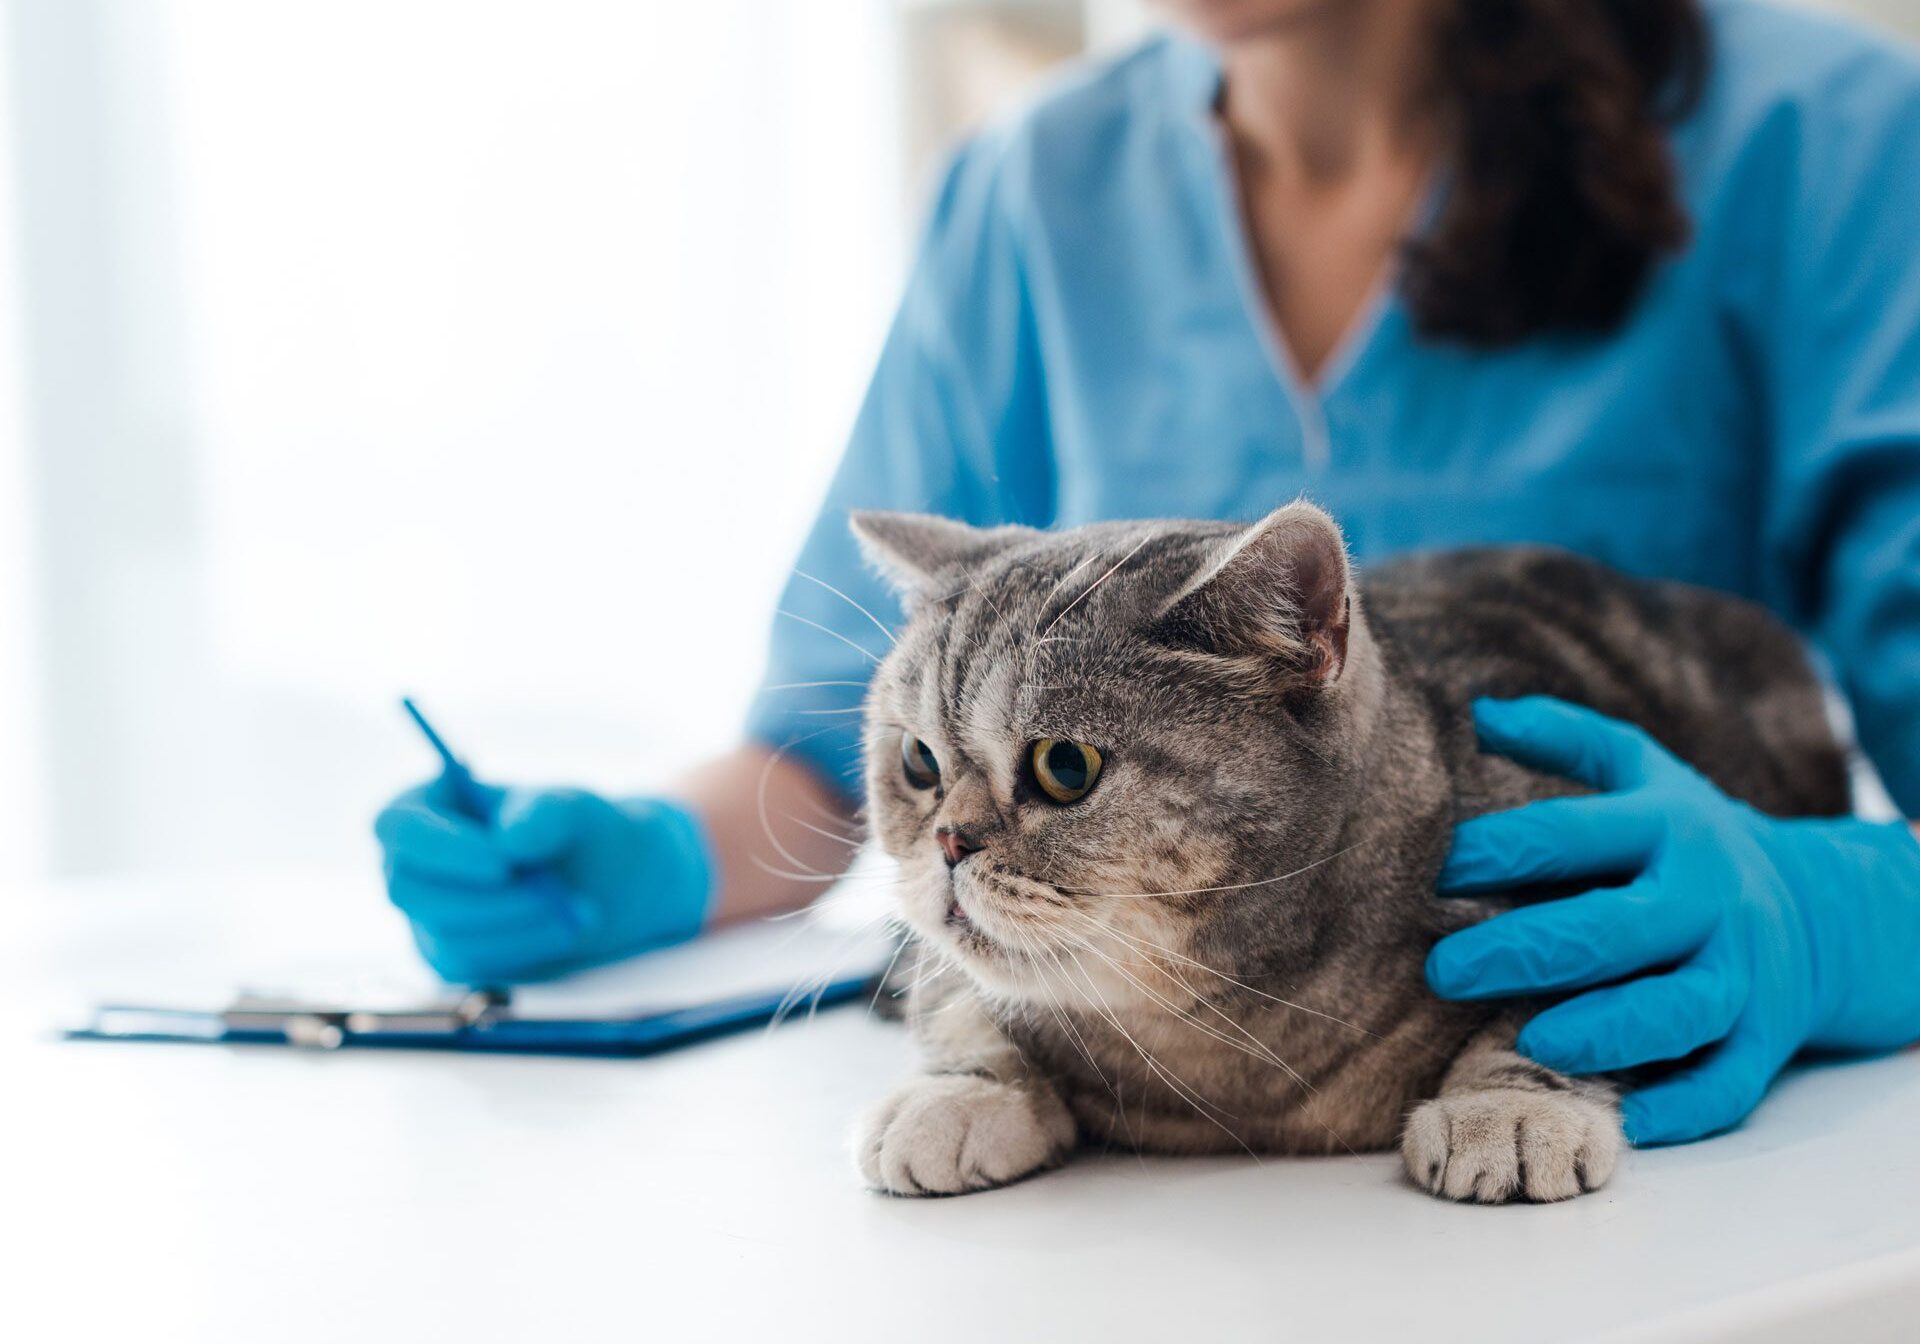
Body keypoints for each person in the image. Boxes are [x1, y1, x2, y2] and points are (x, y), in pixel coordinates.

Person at [374, 0, 1920, 1148]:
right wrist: (646, 860)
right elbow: (845, 753)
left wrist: (1836, 916)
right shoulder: (1038, 193)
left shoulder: (1832, 145)